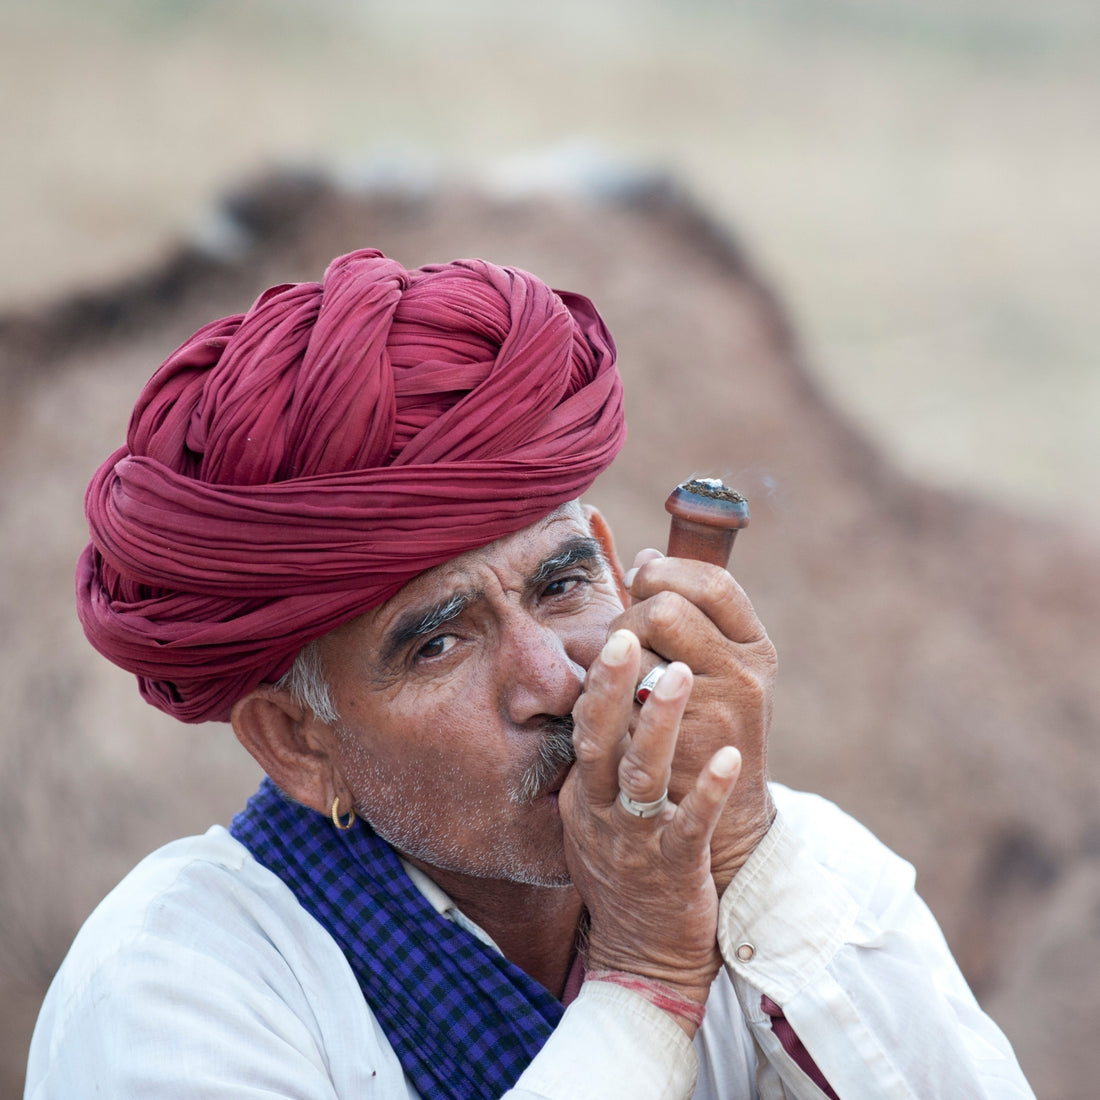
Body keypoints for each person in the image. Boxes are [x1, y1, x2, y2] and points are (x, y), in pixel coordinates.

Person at [26, 248, 1034, 1099]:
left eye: (561, 582)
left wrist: (749, 858)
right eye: (437, 642)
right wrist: (643, 986)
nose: (552, 678)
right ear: (298, 740)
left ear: (612, 555)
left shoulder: (791, 865)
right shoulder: (172, 987)